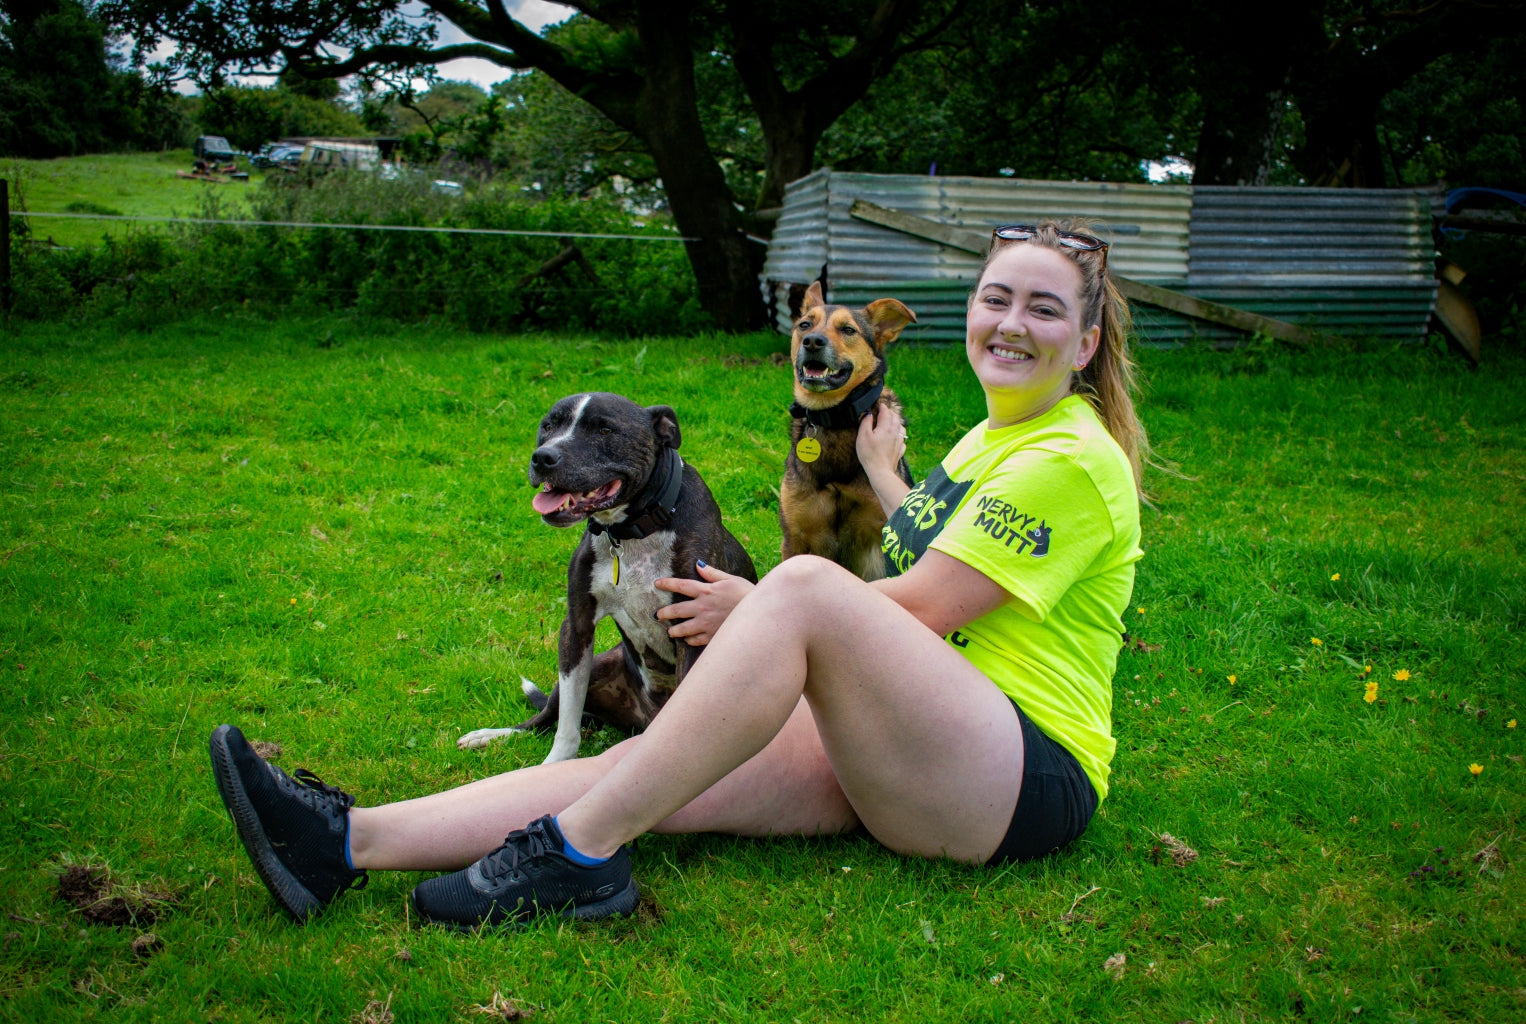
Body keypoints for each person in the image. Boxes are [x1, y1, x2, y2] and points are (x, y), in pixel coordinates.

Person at [208, 219, 1147, 928]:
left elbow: (932, 606)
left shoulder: (1071, 455)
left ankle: (579, 859)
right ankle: (343, 841)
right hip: (913, 745)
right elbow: (940, 547)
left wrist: (760, 601)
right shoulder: (995, 439)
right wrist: (892, 476)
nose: (1010, 323)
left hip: (1020, 778)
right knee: (655, 766)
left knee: (804, 584)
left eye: (1044, 308)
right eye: (996, 299)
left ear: (1088, 342)